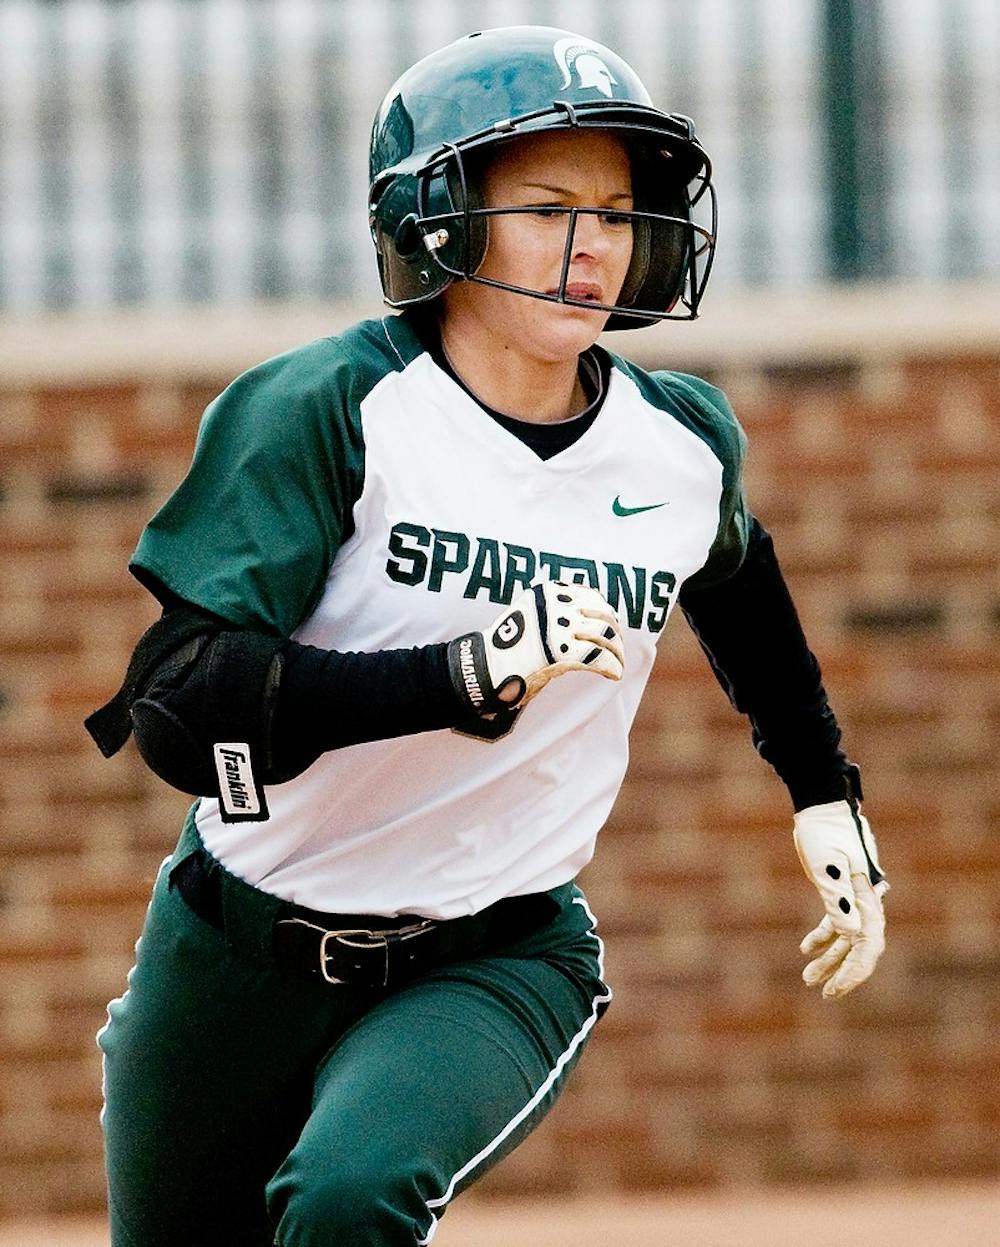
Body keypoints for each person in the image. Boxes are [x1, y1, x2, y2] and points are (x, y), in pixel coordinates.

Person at [87, 25, 888, 1247]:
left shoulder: (676, 442)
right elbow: (183, 701)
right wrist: (463, 672)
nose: (593, 246)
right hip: (238, 939)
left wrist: (821, 788)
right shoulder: (334, 407)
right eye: (548, 205)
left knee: (349, 1200)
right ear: (441, 221)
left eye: (617, 213)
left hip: (494, 946)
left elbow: (738, 581)